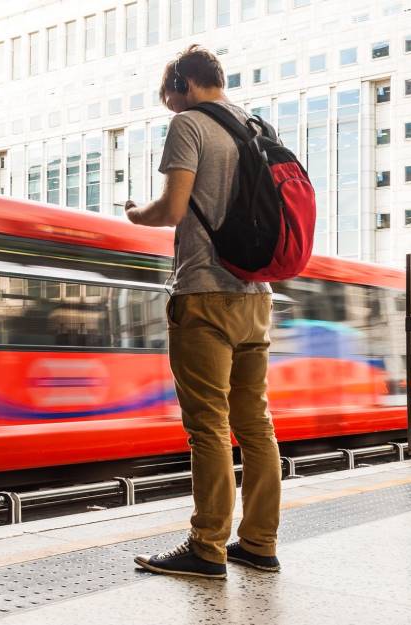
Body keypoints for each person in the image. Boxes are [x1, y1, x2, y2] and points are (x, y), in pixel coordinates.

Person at [125, 44, 282, 579]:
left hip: (204, 293)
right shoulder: (257, 125)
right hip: (256, 297)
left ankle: (207, 546)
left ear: (186, 85)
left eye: (170, 98)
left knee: (208, 426)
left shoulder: (190, 123)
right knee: (256, 426)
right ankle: (259, 542)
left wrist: (134, 214)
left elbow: (171, 209)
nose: (170, 108)